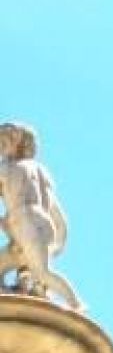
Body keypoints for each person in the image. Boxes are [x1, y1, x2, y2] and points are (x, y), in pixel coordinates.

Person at [0, 123, 79, 308]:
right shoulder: (41, 172)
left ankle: (75, 304)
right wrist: (59, 241)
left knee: (42, 272)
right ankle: (30, 288)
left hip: (24, 223)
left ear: (16, 143)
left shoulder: (6, 168)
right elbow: (57, 214)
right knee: (31, 268)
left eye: (4, 141)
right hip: (43, 225)